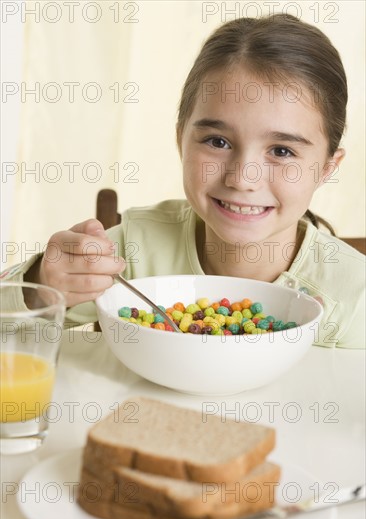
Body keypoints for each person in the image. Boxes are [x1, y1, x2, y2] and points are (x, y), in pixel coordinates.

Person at [2, 14, 365, 348]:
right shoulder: (133, 249)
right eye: (217, 142)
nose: (242, 178)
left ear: (326, 169)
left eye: (282, 151)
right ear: (181, 140)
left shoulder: (353, 295)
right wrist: (39, 287)